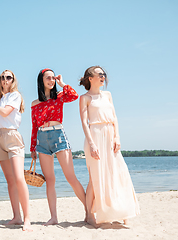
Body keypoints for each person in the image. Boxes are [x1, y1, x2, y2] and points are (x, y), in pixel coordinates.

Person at [79, 66, 140, 227]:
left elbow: (114, 117)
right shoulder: (85, 98)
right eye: (99, 74)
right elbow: (84, 123)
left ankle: (124, 210)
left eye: (104, 74)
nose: (103, 77)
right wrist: (92, 144)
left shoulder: (108, 95)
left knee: (119, 173)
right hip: (95, 136)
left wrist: (117, 136)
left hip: (110, 136)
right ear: (90, 78)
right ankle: (90, 215)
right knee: (95, 177)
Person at [30, 68, 87, 225]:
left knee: (70, 177)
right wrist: (32, 148)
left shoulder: (60, 97)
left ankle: (89, 210)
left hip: (58, 136)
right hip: (42, 140)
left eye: (53, 78)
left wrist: (62, 83)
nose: (51, 80)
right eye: (48, 78)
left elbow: (74, 95)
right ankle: (54, 217)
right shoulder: (35, 103)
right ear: (41, 80)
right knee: (50, 180)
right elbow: (34, 126)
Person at [0, 70, 33, 232]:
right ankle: (16, 216)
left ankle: (27, 218)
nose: (5, 80)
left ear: (13, 80)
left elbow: (4, 112)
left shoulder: (15, 96)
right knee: (10, 181)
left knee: (19, 178)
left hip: (12, 136)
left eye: (8, 77)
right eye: (2, 77)